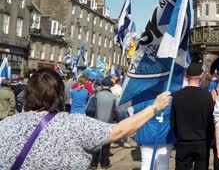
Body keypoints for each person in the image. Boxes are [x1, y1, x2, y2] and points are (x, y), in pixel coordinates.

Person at [0, 68, 172, 169]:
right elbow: (119, 130)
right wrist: (155, 107)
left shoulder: (4, 126)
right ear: (60, 95)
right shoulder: (72, 125)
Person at [170, 62, 215, 170]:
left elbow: (173, 122)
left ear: (186, 76)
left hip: (183, 140)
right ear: (201, 76)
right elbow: (211, 120)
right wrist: (210, 137)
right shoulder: (207, 96)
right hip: (202, 141)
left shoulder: (177, 96)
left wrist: (178, 136)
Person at [134, 99, 175, 170]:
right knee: (163, 162)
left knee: (146, 163)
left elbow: (136, 113)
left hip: (146, 135)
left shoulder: (143, 100)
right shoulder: (169, 100)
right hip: (165, 136)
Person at [89, 77, 119, 169]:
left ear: (102, 85)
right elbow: (116, 112)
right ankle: (105, 163)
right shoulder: (113, 97)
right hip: (108, 123)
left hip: (96, 122)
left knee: (96, 143)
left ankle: (94, 163)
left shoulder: (95, 95)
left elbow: (89, 109)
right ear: (110, 86)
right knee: (106, 143)